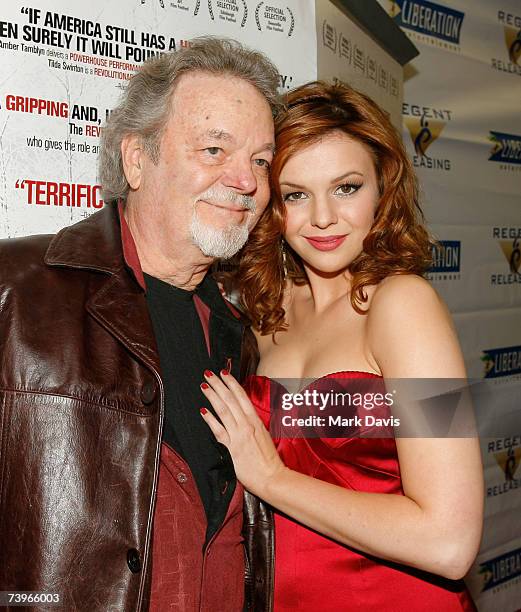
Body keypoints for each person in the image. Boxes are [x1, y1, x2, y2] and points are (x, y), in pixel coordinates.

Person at [0, 37, 281, 611]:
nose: (246, 181)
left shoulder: (242, 335)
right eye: (213, 150)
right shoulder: (15, 289)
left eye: (261, 160)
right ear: (136, 159)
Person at [199, 81, 484, 611]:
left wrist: (272, 480)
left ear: (382, 187)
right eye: (297, 194)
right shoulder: (265, 309)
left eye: (347, 187)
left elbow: (450, 541)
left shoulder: (404, 306)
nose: (323, 217)